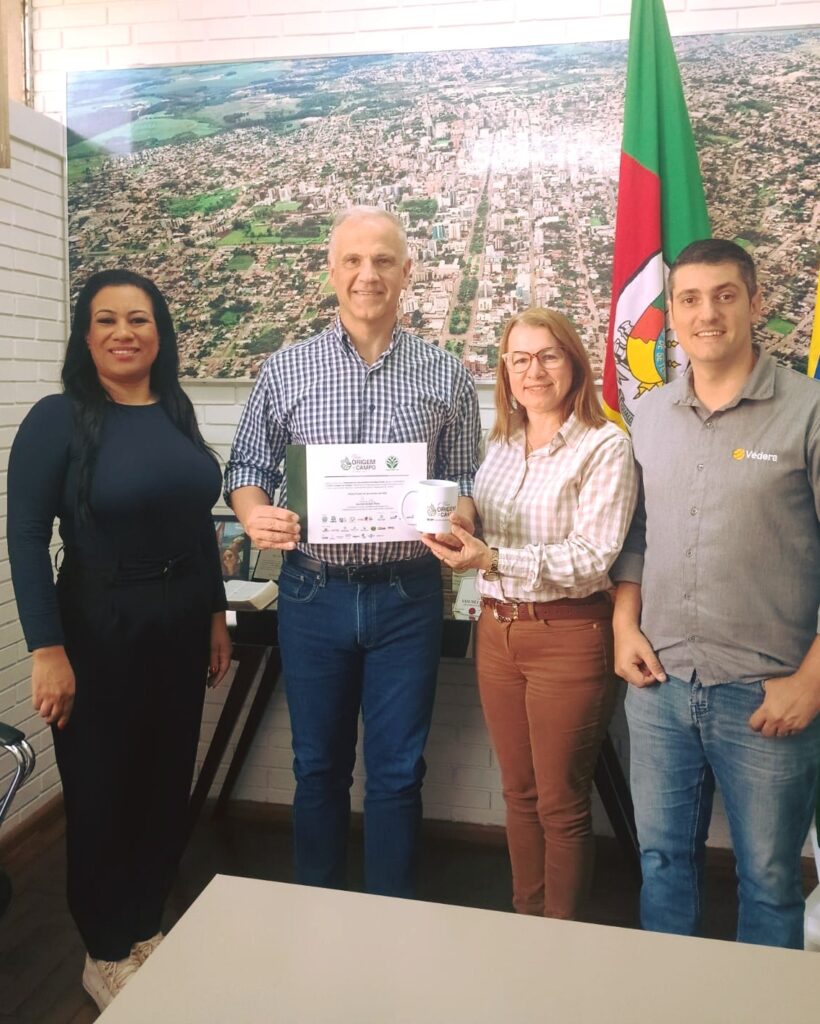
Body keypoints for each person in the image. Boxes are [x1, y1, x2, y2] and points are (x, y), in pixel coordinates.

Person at [225, 206, 481, 898]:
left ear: (407, 272)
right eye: (353, 261)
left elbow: (466, 480)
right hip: (312, 593)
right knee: (317, 768)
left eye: (384, 261)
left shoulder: (447, 375)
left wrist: (454, 515)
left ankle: (390, 925)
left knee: (398, 773)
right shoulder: (286, 369)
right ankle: (319, 922)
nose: (369, 274)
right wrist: (253, 515)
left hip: (408, 593)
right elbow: (246, 467)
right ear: (331, 271)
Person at [7, 270, 232, 1009]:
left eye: (138, 319)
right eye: (106, 320)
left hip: (179, 625)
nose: (123, 332)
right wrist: (46, 649)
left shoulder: (174, 409)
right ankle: (103, 950)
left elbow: (196, 523)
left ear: (159, 333)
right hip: (98, 627)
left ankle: (143, 927)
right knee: (103, 791)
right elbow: (25, 537)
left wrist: (214, 613)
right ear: (85, 335)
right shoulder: (59, 418)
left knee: (163, 784)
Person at [611, 238, 820, 948]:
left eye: (725, 296)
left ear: (756, 303)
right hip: (660, 686)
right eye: (691, 300)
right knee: (662, 866)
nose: (708, 314)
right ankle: (669, 999)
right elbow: (639, 533)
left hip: (769, 695)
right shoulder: (651, 414)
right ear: (671, 315)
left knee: (769, 880)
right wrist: (624, 624)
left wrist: (811, 682)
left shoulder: (808, 411)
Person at [422, 308, 637, 919]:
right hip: (498, 632)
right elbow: (481, 515)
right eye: (519, 359)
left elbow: (593, 557)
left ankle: (559, 942)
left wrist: (491, 557)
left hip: (569, 635)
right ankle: (526, 924)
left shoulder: (605, 445)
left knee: (560, 803)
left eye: (548, 355)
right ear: (505, 371)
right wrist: (463, 519)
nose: (533, 370)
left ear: (574, 363)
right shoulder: (501, 442)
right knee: (518, 793)